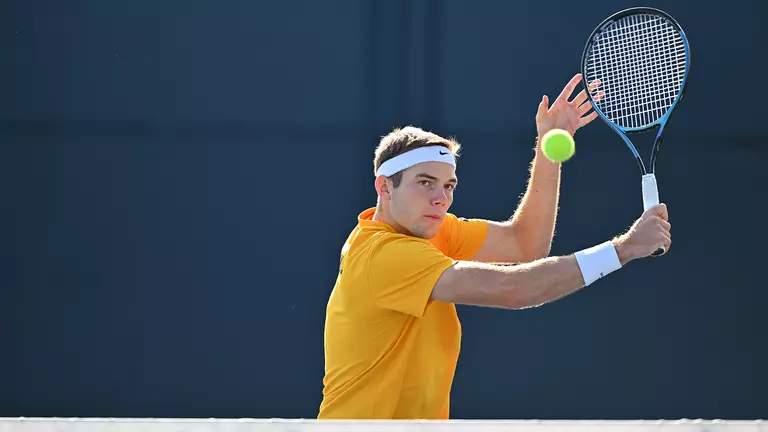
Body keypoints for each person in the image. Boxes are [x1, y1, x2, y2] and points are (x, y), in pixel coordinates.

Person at [317, 73, 671, 420]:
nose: (441, 199)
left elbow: (525, 243)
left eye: (449, 185)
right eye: (425, 183)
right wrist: (622, 249)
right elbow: (512, 288)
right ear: (384, 188)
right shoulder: (385, 254)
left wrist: (550, 145)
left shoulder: (431, 232)